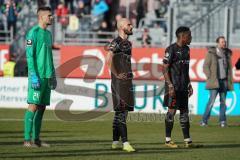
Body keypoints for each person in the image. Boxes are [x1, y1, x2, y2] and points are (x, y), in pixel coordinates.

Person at [23, 6, 57, 147]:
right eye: (49, 15)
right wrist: (33, 75)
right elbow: (30, 56)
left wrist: (53, 74)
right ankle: (26, 140)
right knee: (33, 106)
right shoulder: (33, 33)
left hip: (47, 76)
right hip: (37, 76)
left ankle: (36, 140)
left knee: (42, 107)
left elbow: (50, 56)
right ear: (41, 17)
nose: (52, 17)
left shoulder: (48, 34)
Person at [163, 26, 198, 148]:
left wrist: (189, 84)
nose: (191, 38)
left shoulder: (187, 50)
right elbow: (165, 69)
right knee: (171, 112)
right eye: (189, 35)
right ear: (183, 37)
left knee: (184, 113)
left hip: (183, 86)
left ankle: (187, 141)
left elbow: (186, 69)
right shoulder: (171, 49)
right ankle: (167, 140)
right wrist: (170, 85)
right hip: (173, 87)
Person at [106, 18, 135, 152]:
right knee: (121, 113)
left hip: (127, 82)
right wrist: (117, 74)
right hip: (118, 83)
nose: (131, 26)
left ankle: (115, 142)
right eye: (129, 24)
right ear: (122, 26)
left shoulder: (128, 43)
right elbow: (108, 60)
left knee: (121, 113)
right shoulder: (115, 42)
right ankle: (125, 143)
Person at [200, 36, 233, 127]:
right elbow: (205, 66)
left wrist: (228, 80)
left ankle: (222, 121)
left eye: (225, 42)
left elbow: (229, 69)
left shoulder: (227, 54)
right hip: (214, 81)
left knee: (223, 102)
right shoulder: (211, 53)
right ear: (218, 43)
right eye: (222, 42)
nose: (224, 43)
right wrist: (210, 76)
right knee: (211, 101)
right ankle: (204, 121)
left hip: (224, 81)